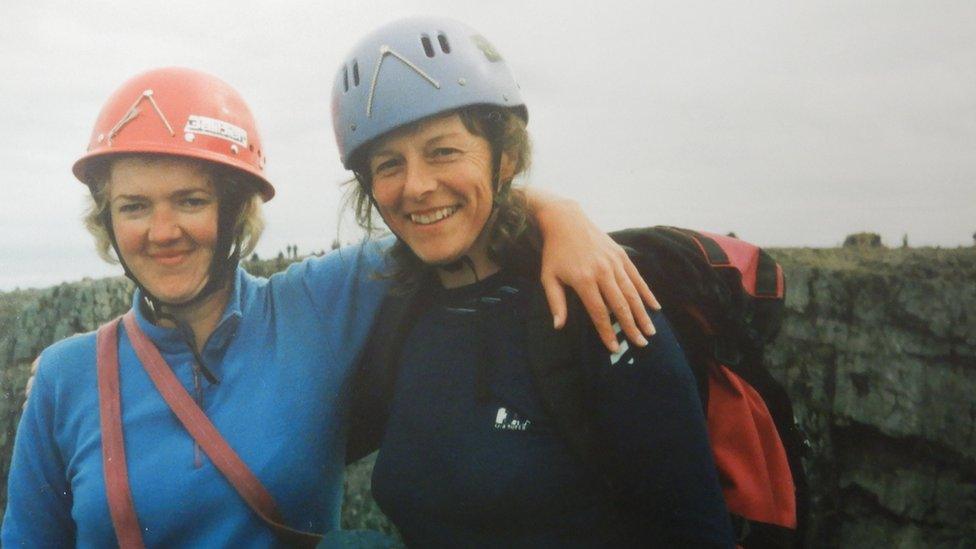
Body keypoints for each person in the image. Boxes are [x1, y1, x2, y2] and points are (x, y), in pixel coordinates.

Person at [2, 67, 656, 545]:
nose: (162, 230)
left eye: (192, 200)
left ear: (237, 210)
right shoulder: (66, 377)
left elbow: (433, 215)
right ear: (107, 220)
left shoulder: (314, 306)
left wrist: (557, 214)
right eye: (134, 206)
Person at [335, 17, 735, 546]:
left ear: (506, 159)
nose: (417, 186)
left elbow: (693, 531)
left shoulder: (597, 302)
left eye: (444, 151)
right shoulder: (395, 307)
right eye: (389, 164)